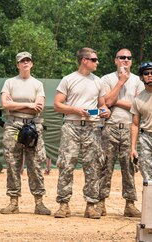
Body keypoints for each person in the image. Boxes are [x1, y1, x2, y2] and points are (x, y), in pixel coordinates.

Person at [53, 47, 110, 219]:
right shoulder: (68, 79)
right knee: (66, 164)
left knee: (92, 166)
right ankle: (63, 205)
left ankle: (91, 205)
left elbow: (102, 104)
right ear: (84, 60)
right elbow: (57, 104)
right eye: (94, 59)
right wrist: (75, 110)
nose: (97, 62)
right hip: (71, 125)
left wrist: (105, 110)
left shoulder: (98, 81)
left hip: (91, 127)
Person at [0, 51, 50, 216]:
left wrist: (17, 104)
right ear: (18, 65)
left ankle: (39, 202)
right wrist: (28, 106)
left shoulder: (37, 84)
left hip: (32, 127)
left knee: (35, 165)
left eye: (28, 60)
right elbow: (5, 104)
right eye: (22, 61)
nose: (25, 63)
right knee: (12, 164)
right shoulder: (9, 82)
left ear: (32, 63)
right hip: (13, 125)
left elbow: (39, 106)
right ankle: (13, 202)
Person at [96, 49, 144, 218]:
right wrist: (121, 82)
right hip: (110, 127)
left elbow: (137, 106)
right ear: (115, 60)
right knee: (105, 166)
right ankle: (100, 203)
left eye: (128, 58)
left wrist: (115, 101)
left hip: (129, 127)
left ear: (131, 61)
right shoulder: (107, 79)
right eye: (122, 57)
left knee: (129, 167)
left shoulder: (138, 81)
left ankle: (130, 204)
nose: (125, 60)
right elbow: (106, 102)